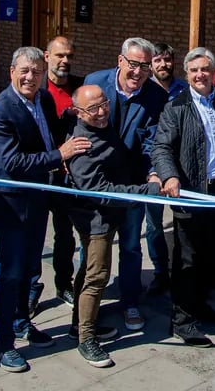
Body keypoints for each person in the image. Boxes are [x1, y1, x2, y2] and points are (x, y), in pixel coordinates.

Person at [0, 46, 90, 373]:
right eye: (24, 71)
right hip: (11, 205)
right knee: (9, 273)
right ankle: (3, 343)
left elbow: (47, 135)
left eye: (37, 72)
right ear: (12, 71)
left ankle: (21, 323)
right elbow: (13, 162)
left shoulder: (41, 100)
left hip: (37, 201)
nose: (30, 77)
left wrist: (71, 119)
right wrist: (61, 153)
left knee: (28, 270)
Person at [150, 46, 215, 347]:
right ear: (187, 74)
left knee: (212, 257)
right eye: (193, 71)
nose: (199, 75)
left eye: (204, 69)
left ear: (213, 72)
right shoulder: (176, 107)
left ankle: (201, 306)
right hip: (191, 193)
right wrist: (170, 176)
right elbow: (161, 147)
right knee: (187, 259)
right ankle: (183, 320)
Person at [65, 84, 164, 368]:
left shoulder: (103, 127)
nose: (101, 112)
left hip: (111, 215)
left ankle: (80, 326)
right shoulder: (82, 145)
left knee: (88, 274)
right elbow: (101, 190)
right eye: (92, 109)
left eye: (103, 104)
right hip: (97, 220)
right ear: (78, 113)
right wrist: (146, 191)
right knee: (96, 276)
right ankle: (86, 339)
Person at [84, 37, 167, 332]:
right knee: (93, 247)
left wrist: (154, 172)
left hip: (133, 184)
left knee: (131, 246)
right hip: (99, 184)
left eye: (145, 66)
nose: (138, 72)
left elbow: (153, 140)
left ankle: (130, 301)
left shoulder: (156, 96)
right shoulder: (95, 83)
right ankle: (87, 310)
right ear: (120, 61)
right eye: (133, 64)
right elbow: (81, 126)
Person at [28, 36, 81, 316]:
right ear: (46, 57)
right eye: (59, 55)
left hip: (65, 177)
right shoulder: (36, 89)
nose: (65, 61)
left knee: (65, 235)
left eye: (69, 56)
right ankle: (31, 289)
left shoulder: (79, 88)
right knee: (34, 236)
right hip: (39, 174)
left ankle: (64, 283)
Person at [144, 41, 187, 295]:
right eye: (158, 60)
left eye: (167, 59)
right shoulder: (145, 91)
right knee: (154, 224)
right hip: (153, 169)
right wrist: (153, 170)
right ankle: (161, 271)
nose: (163, 64)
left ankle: (183, 270)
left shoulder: (184, 90)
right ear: (151, 64)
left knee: (184, 222)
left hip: (181, 168)